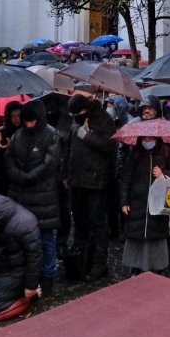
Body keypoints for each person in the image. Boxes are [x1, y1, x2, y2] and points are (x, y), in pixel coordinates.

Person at [0, 101, 60, 292]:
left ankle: (48, 273)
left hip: (43, 196)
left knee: (45, 237)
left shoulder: (51, 134)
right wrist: (16, 174)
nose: (29, 125)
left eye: (32, 122)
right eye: (27, 122)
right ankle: (29, 273)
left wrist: (28, 177)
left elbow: (50, 163)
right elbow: (10, 158)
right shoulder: (18, 135)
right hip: (21, 195)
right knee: (25, 238)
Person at [66, 93, 115, 282]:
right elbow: (69, 147)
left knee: (98, 223)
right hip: (77, 179)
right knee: (79, 223)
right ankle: (82, 258)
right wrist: (66, 171)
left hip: (96, 180)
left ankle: (99, 262)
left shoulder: (103, 119)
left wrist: (88, 137)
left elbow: (110, 145)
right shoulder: (76, 120)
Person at [119, 134, 170, 275]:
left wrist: (163, 173)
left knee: (157, 234)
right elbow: (126, 178)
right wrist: (124, 201)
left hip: (159, 202)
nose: (147, 142)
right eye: (144, 139)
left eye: (151, 139)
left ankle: (160, 265)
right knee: (136, 233)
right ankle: (135, 265)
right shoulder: (135, 153)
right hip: (137, 201)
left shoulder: (165, 151)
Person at [0, 195, 42, 320]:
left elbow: (34, 257)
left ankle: (27, 298)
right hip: (0, 268)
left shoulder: (25, 223)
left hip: (15, 272)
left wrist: (30, 285)